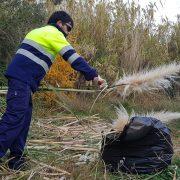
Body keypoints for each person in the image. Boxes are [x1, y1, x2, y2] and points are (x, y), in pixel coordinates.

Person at [0, 11, 107, 170]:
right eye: (68, 28)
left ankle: (16, 160)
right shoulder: (53, 33)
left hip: (24, 82)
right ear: (59, 23)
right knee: (15, 118)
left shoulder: (38, 31)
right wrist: (94, 76)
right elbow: (73, 58)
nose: (68, 33)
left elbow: (31, 60)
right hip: (22, 82)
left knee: (23, 121)